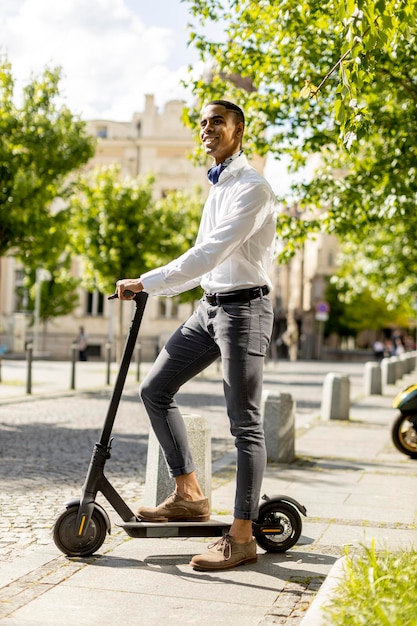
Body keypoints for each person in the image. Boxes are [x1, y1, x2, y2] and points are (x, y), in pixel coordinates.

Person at [115, 100, 278, 571]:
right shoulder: (220, 184)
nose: (208, 128)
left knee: (245, 424)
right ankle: (188, 493)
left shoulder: (253, 188)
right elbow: (204, 260)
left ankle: (242, 536)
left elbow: (210, 252)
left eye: (218, 121)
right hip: (210, 307)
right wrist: (160, 284)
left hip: (244, 309)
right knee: (155, 389)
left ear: (239, 129)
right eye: (203, 122)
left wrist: (147, 281)